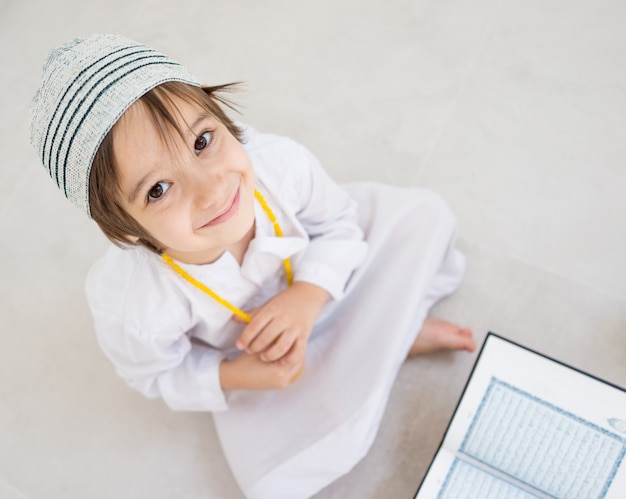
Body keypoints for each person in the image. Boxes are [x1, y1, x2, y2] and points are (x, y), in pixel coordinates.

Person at [29, 34, 475, 499]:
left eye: (203, 141)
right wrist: (242, 375)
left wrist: (308, 296)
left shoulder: (279, 165)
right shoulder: (134, 304)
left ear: (222, 115)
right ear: (125, 232)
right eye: (158, 190)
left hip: (327, 287)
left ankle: (385, 334)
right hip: (257, 359)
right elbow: (156, 374)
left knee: (427, 216)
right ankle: (393, 332)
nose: (212, 189)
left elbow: (340, 225)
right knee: (275, 482)